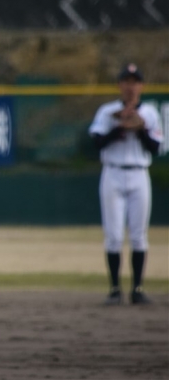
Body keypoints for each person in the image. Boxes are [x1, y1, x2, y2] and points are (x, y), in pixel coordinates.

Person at [88, 63, 163, 306]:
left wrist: (140, 128)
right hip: (113, 173)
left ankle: (137, 289)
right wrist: (119, 127)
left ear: (141, 86)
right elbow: (97, 142)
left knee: (139, 235)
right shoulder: (107, 111)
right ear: (120, 85)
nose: (131, 87)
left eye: (135, 82)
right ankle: (114, 290)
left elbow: (156, 148)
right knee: (113, 235)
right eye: (127, 81)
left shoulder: (150, 112)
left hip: (139, 174)